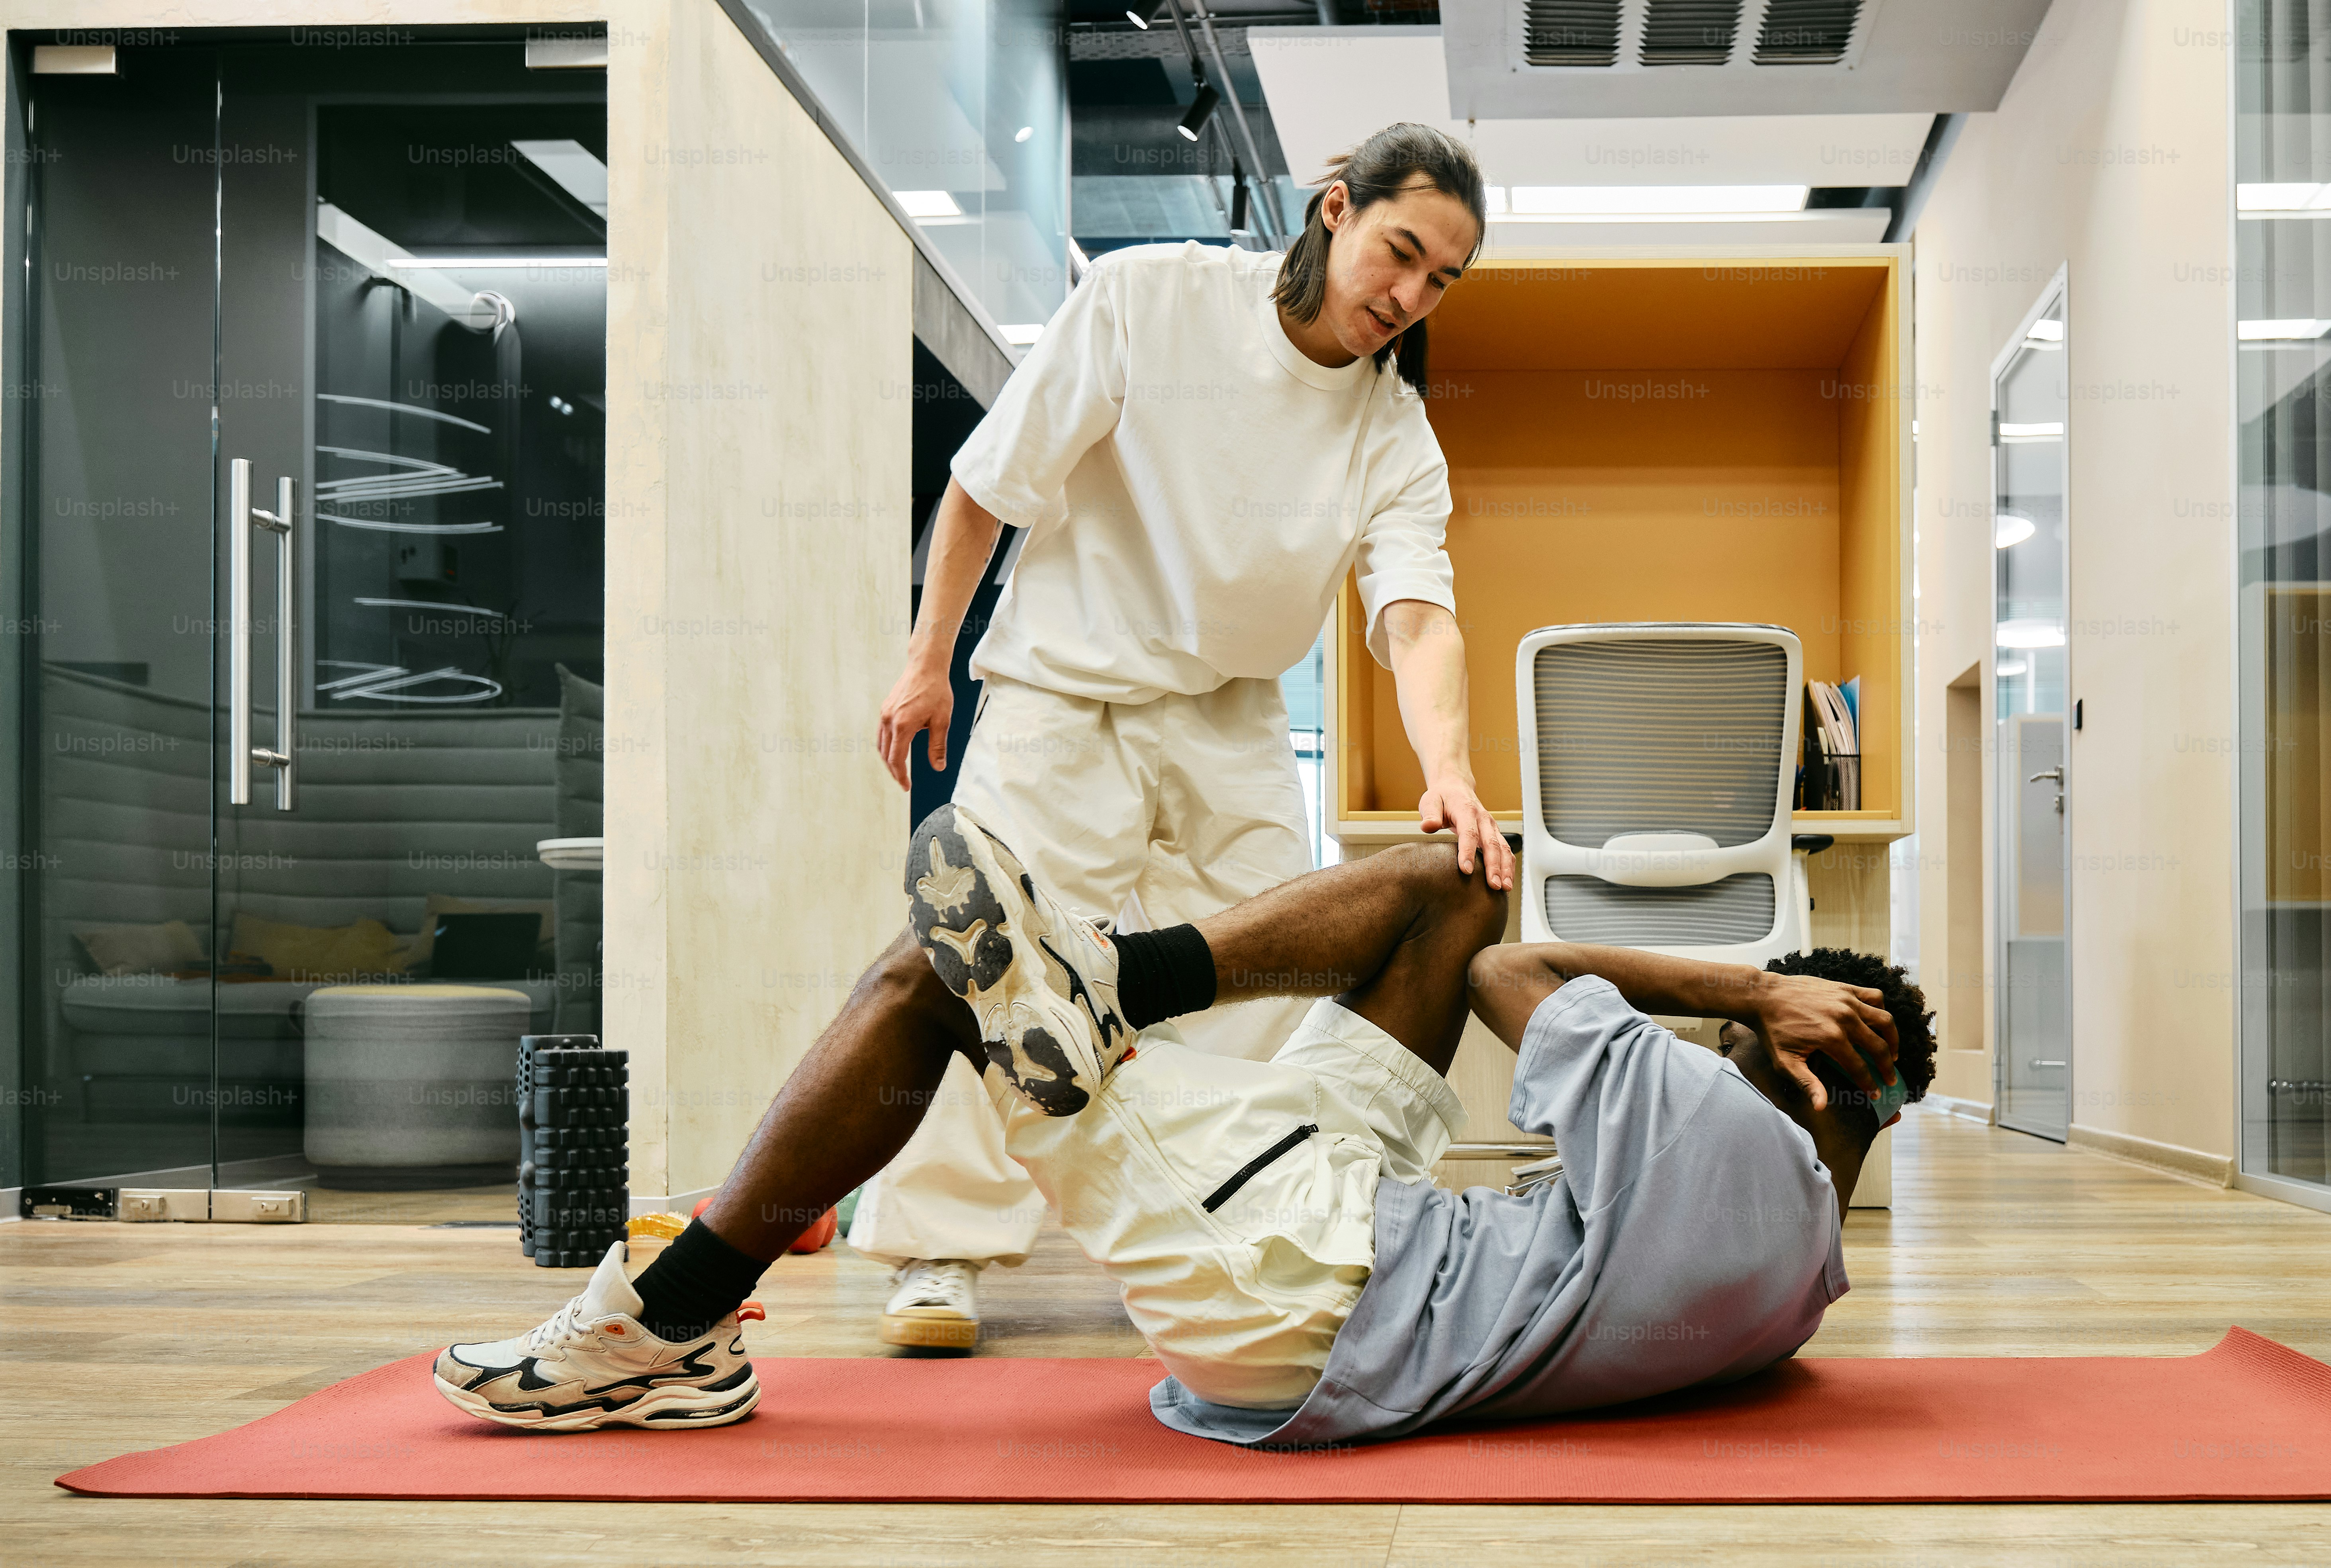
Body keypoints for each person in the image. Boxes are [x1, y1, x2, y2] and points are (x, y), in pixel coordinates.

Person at [431, 804, 1937, 1441]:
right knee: (1456, 872)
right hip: (1382, 1240)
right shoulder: (1804, 1274)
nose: (1708, 1036)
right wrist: (1759, 1013)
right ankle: (1112, 984)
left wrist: (1750, 980)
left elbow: (1510, 975)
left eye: (1739, 1035)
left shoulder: (1736, 1140)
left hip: (1303, 1278)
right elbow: (1471, 936)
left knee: (927, 982)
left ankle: (659, 1331)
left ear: (1808, 1068)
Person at [851, 122, 1513, 1351]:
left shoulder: (1392, 433)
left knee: (1272, 987)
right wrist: (926, 656)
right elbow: (989, 482)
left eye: (1442, 282)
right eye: (1401, 252)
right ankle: (936, 1252)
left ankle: (1218, 1218)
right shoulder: (1148, 299)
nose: (1409, 297)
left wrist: (1452, 771)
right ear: (1334, 210)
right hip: (1067, 689)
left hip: (1233, 718)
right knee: (982, 963)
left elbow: (1417, 617)